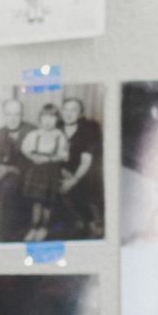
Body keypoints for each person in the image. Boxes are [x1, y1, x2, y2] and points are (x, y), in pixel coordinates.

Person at [20, 103, 70, 242]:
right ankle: (34, 227)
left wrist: (48, 158)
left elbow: (64, 155)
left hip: (51, 171)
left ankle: (44, 227)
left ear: (57, 119)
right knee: (37, 201)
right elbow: (25, 149)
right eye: (45, 117)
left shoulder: (59, 135)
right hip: (36, 171)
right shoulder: (34, 134)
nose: (48, 121)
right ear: (40, 119)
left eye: (52, 118)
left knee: (48, 202)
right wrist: (33, 157)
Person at [0, 97, 31, 242]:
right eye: (9, 114)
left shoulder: (32, 131)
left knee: (8, 187)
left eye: (17, 114)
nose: (13, 118)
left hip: (24, 173)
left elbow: (34, 162)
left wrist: (9, 169)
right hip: (1, 171)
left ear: (22, 115)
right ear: (4, 115)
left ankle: (8, 233)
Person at [58, 95, 103, 239]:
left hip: (81, 172)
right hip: (59, 170)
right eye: (66, 109)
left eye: (74, 110)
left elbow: (86, 161)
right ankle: (74, 220)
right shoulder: (56, 128)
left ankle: (90, 222)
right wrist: (61, 170)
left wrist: (73, 179)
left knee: (84, 186)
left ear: (80, 114)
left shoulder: (88, 131)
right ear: (61, 111)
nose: (69, 113)